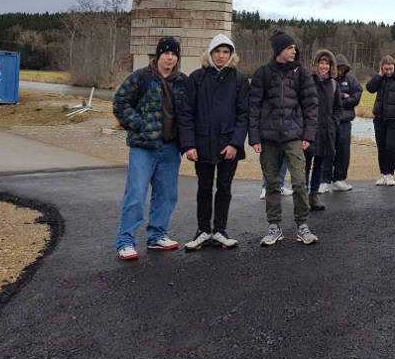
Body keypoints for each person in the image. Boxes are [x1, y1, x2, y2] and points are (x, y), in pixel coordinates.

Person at [113, 37, 187, 260]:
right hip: (144, 147)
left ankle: (157, 235)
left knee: (166, 195)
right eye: (165, 53)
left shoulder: (183, 81)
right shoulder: (141, 77)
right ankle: (125, 241)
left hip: (171, 147)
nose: (169, 57)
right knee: (135, 194)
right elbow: (120, 102)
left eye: (174, 54)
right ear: (158, 55)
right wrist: (140, 125)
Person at [178, 33, 248, 250]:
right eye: (217, 51)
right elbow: (187, 113)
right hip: (202, 143)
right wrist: (189, 145)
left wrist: (235, 143)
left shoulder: (239, 79)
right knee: (204, 188)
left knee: (224, 187)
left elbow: (243, 114)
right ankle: (202, 230)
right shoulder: (197, 78)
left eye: (225, 52)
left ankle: (220, 230)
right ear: (210, 53)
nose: (221, 56)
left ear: (231, 54)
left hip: (229, 144)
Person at [249, 31, 320, 245]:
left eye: (294, 47)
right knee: (272, 185)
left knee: (299, 182)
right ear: (279, 50)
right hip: (268, 137)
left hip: (293, 136)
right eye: (290, 47)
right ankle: (274, 226)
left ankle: (302, 226)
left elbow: (311, 106)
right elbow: (253, 106)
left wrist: (308, 134)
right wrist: (254, 137)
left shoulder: (302, 74)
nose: (294, 51)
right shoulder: (262, 73)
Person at [303, 50, 343, 211]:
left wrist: (333, 123)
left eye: (327, 63)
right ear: (316, 64)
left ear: (331, 66)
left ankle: (314, 194)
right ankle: (302, 195)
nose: (324, 66)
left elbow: (338, 109)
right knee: (305, 165)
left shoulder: (334, 84)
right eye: (321, 62)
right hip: (308, 130)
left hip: (326, 131)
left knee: (319, 164)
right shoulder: (307, 81)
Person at [366, 55, 395, 186]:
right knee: (381, 148)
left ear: (394, 66)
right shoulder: (381, 78)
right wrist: (379, 76)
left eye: (390, 69)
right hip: (379, 119)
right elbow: (369, 88)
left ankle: (390, 174)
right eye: (386, 69)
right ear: (382, 68)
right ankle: (383, 174)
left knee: (390, 147)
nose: (389, 72)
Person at [324, 53, 363, 192]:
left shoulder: (352, 80)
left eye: (342, 68)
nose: (339, 70)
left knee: (343, 151)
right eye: (337, 67)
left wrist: (339, 101)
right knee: (328, 150)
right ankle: (325, 180)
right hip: (330, 121)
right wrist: (342, 97)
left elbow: (356, 97)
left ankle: (339, 179)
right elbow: (327, 97)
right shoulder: (328, 80)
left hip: (345, 122)